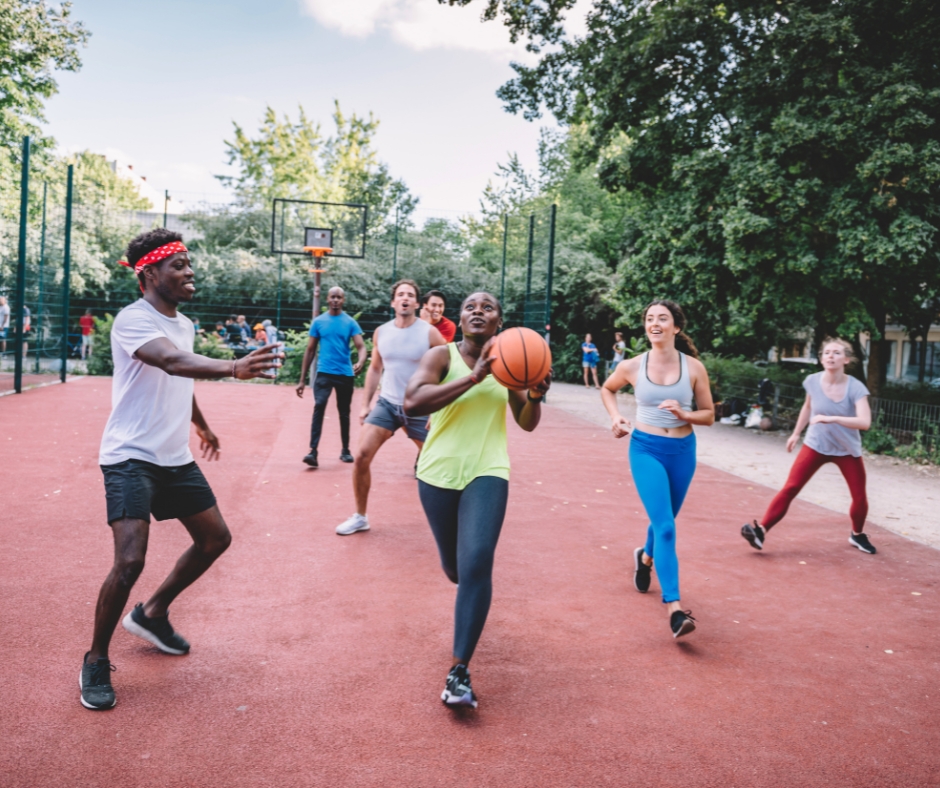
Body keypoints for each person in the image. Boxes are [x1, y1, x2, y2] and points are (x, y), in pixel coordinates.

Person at [79, 228, 282, 711]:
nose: (190, 272)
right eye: (179, 266)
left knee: (215, 538)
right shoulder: (132, 320)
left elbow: (182, 375)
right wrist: (233, 368)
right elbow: (169, 362)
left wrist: (203, 427)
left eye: (189, 264)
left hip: (173, 456)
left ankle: (152, 613)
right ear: (149, 274)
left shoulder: (184, 324)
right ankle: (94, 658)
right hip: (130, 455)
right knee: (130, 561)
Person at [404, 291, 551, 708]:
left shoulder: (510, 365)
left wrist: (536, 395)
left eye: (488, 307)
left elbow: (526, 423)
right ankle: (463, 580)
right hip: (437, 472)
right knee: (456, 570)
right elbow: (412, 402)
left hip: (488, 470)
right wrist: (473, 376)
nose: (478, 311)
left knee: (477, 561)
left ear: (499, 321)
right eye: (470, 306)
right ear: (461, 318)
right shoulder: (441, 356)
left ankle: (458, 670)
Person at [601, 300, 715, 639]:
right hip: (646, 449)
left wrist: (684, 414)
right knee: (665, 527)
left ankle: (645, 557)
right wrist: (616, 417)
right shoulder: (633, 366)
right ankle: (676, 610)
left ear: (676, 327)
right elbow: (608, 389)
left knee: (663, 521)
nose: (655, 323)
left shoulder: (694, 368)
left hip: (682, 451)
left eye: (662, 318)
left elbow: (708, 414)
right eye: (650, 318)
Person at [741, 338, 875, 554]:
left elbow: (865, 422)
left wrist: (832, 419)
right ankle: (761, 531)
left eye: (837, 353)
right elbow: (808, 406)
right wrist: (795, 433)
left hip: (846, 449)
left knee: (859, 497)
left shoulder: (856, 388)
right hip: (816, 444)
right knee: (791, 487)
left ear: (846, 359)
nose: (831, 356)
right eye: (827, 352)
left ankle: (857, 534)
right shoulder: (812, 381)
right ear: (821, 359)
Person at [335, 279, 446, 535]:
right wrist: (365, 405)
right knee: (361, 456)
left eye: (410, 295)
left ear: (417, 303)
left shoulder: (429, 333)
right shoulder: (382, 332)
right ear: (393, 302)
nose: (405, 298)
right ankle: (360, 517)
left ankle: (453, 518)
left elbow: (448, 369)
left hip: (420, 407)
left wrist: (438, 409)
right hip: (387, 404)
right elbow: (375, 368)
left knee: (440, 464)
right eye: (400, 295)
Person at [296, 287, 367, 467]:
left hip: (344, 374)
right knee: (319, 405)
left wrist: (360, 361)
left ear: (343, 300)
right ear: (327, 299)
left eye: (339, 297)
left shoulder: (350, 322)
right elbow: (310, 350)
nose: (335, 300)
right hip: (324, 372)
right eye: (332, 297)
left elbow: (361, 346)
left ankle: (345, 450)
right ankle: (312, 451)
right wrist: (302, 379)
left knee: (344, 412)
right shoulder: (319, 322)